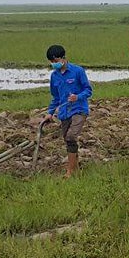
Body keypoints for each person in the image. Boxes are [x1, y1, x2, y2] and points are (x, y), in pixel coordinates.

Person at [42, 45, 93, 177]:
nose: (54, 64)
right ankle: (75, 168)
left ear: (63, 58)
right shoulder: (54, 76)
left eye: (56, 60)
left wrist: (77, 97)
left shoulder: (77, 71)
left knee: (71, 136)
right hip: (64, 112)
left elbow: (88, 90)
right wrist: (50, 112)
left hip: (79, 110)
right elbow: (56, 97)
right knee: (68, 139)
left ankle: (70, 171)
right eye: (52, 62)